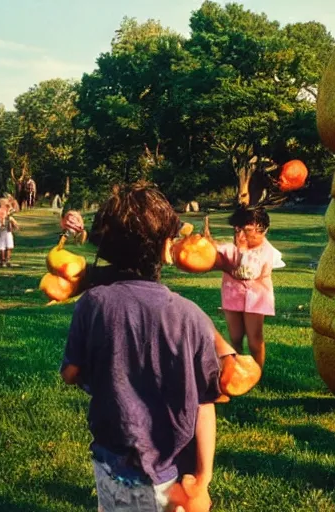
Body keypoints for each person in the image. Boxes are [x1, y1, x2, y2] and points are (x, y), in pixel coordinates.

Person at [59, 183, 222, 511]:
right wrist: (202, 480)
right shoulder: (191, 317)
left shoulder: (93, 303)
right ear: (166, 250)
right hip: (169, 472)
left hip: (110, 459)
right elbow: (206, 403)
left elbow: (70, 373)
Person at [212, 205, 285, 369]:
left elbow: (249, 272)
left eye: (247, 230)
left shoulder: (267, 251)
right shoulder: (232, 248)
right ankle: (236, 371)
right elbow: (213, 255)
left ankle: (257, 370)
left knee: (254, 338)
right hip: (232, 293)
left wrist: (239, 253)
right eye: (237, 230)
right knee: (235, 336)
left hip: (257, 297)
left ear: (263, 230)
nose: (241, 235)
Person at [0, 198, 19, 267]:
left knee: (8, 247)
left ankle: (6, 260)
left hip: (7, 233)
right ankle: (2, 260)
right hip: (0, 233)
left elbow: (15, 224)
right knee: (0, 248)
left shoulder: (9, 217)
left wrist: (14, 224)